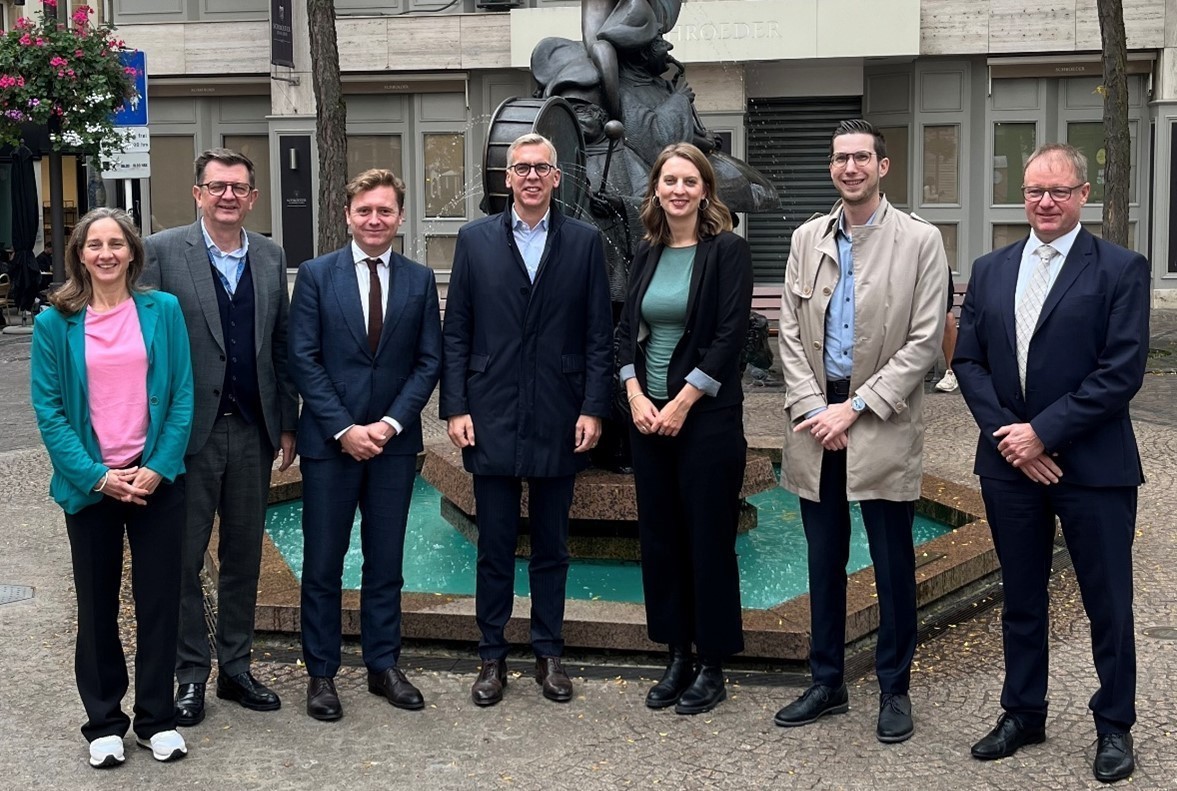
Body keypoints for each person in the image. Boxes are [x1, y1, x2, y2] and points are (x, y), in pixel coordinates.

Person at [954, 143, 1148, 784]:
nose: (1044, 202)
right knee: (1021, 597)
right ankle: (1022, 712)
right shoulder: (989, 269)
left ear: (1082, 195)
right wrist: (1013, 439)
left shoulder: (1120, 268)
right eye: (1034, 190)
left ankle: (1114, 725)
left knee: (1108, 602)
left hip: (1093, 466)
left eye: (1058, 191)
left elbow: (1121, 371)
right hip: (1009, 465)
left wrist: (1044, 433)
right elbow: (970, 364)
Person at [774, 120, 947, 744]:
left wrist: (856, 408)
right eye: (840, 158)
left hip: (881, 415)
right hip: (815, 418)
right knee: (823, 558)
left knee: (892, 560)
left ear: (883, 167)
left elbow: (925, 340)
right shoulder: (805, 239)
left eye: (861, 158)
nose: (851, 167)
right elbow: (789, 331)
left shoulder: (920, 241)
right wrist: (812, 406)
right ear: (831, 168)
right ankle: (827, 682)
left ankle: (894, 687)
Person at [440, 132, 613, 707]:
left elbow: (597, 334)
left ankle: (549, 654)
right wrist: (455, 405)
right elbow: (457, 330)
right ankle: (491, 657)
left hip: (561, 412)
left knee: (551, 545)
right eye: (521, 168)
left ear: (557, 178)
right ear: (507, 179)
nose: (532, 176)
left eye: (542, 168)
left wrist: (594, 406)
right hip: (488, 411)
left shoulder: (586, 243)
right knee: (492, 546)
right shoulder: (475, 241)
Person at [31, 208, 194, 768]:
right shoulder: (55, 321)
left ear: (132, 252)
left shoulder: (163, 310)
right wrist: (98, 476)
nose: (105, 253)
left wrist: (159, 465)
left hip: (154, 481)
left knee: (159, 604)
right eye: (94, 244)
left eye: (116, 244)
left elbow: (181, 397)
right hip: (92, 486)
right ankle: (104, 721)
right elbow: (49, 411)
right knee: (97, 605)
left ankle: (157, 719)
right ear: (80, 253)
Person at [141, 148, 299, 726]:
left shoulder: (269, 254)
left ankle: (236, 666)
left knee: (243, 556)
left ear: (252, 198)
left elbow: (280, 346)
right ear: (198, 193)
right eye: (217, 186)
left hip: (253, 430)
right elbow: (148, 346)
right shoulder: (161, 254)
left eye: (238, 188)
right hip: (188, 437)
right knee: (183, 560)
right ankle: (190, 675)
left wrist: (287, 420)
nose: (228, 196)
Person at [288, 169, 442, 721]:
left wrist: (391, 425)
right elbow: (302, 358)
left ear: (399, 217)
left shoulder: (421, 280)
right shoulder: (314, 275)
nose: (374, 220)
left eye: (385, 211)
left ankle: (383, 665)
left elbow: (429, 362)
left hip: (394, 447)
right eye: (364, 211)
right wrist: (345, 429)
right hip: (331, 447)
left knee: (386, 562)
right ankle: (322, 674)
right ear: (348, 216)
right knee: (323, 563)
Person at [616, 142, 752, 715]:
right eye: (668, 180)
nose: (678, 190)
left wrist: (682, 401)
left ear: (704, 190)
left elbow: (729, 337)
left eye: (688, 181)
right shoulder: (645, 253)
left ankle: (712, 664)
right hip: (648, 419)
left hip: (706, 422)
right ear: (657, 189)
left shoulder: (728, 252)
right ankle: (676, 654)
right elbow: (622, 333)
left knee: (707, 539)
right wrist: (634, 395)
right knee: (662, 540)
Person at [935, 273, 959, 392]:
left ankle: (951, 372)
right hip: (913, 314)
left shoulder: (943, 267)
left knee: (949, 319)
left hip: (935, 314)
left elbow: (948, 299)